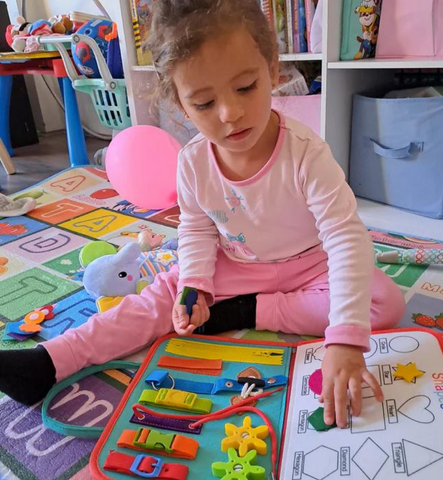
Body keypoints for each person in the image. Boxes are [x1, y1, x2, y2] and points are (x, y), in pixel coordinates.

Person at [0, 0, 405, 428]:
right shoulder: (193, 161)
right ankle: (49, 360)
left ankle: (246, 313)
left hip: (310, 266)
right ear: (180, 103)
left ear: (271, 68)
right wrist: (195, 283)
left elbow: (346, 238)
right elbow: (195, 227)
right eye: (205, 103)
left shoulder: (306, 153)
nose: (230, 114)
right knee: (157, 300)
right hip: (235, 265)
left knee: (382, 302)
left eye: (246, 87)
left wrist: (344, 339)